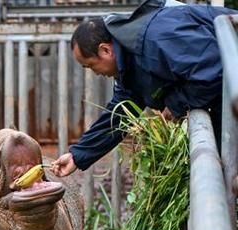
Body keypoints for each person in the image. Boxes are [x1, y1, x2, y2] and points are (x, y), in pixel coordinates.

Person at [51, 0, 236, 177]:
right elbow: (120, 115)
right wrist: (78, 155)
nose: (95, 73)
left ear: (105, 50)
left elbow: (212, 70)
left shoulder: (157, 36)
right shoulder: (131, 61)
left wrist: (176, 104)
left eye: (91, 65)